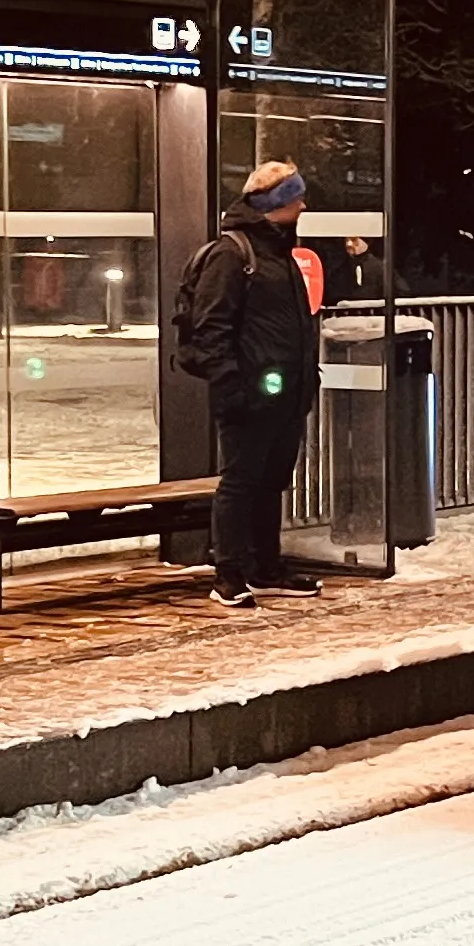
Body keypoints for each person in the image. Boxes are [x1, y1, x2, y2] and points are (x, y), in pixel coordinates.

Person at [173, 160, 321, 610]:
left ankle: (265, 567)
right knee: (241, 481)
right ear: (277, 205)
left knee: (271, 480)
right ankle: (229, 573)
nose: (303, 205)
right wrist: (231, 386)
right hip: (247, 393)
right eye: (296, 198)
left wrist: (303, 381)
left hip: (285, 392)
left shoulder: (280, 255)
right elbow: (211, 328)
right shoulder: (233, 254)